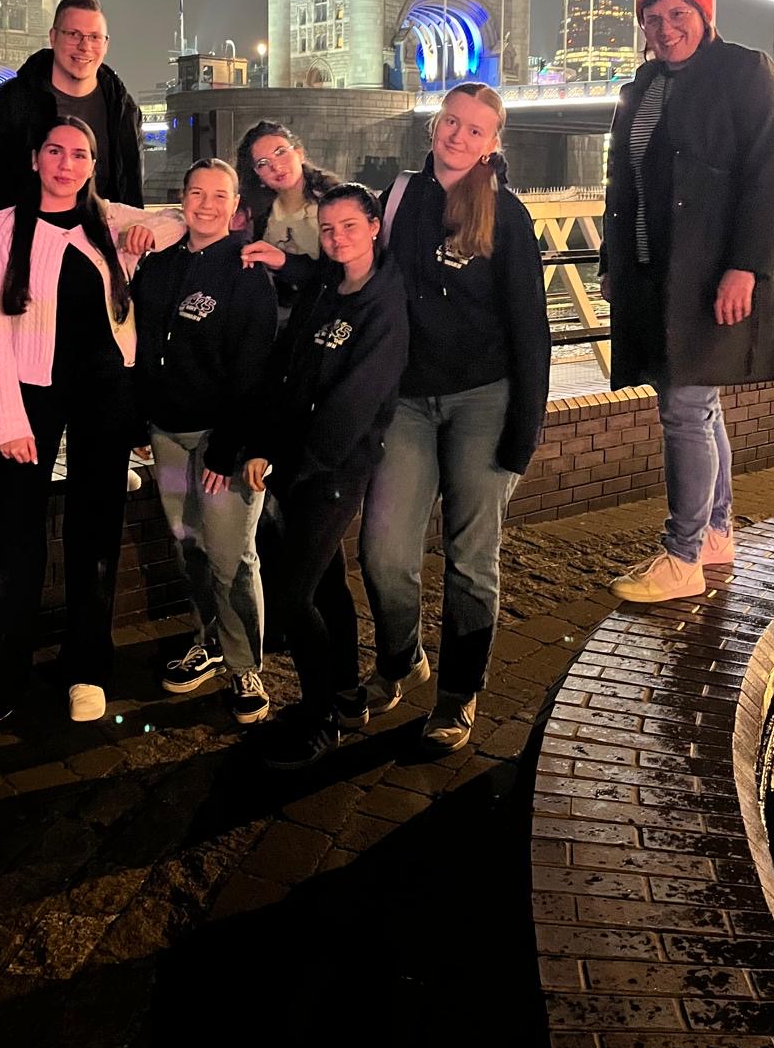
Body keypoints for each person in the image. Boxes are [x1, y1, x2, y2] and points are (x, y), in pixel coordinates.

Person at [0, 117, 180, 749]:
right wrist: (7, 419)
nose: (66, 163)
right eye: (55, 151)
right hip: (30, 393)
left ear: (92, 165)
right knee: (13, 539)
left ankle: (87, 668)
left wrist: (142, 233)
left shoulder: (106, 220)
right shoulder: (3, 228)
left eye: (79, 154)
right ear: (35, 159)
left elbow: (179, 220)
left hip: (107, 389)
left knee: (95, 531)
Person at [601, 0, 774, 602]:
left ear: (704, 15)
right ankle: (715, 533)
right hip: (652, 271)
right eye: (652, 18)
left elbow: (770, 175)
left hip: (707, 271)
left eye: (678, 14)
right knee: (698, 404)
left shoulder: (746, 72)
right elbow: (620, 182)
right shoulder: (642, 85)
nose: (665, 29)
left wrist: (747, 267)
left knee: (684, 407)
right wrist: (611, 262)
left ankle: (682, 556)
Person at [359, 82, 550, 754]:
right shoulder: (398, 198)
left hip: (483, 400)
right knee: (384, 552)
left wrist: (524, 431)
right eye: (451, 122)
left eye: (475, 129)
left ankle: (457, 694)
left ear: (493, 143)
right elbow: (352, 268)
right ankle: (401, 657)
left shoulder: (506, 213)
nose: (459, 136)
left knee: (471, 559)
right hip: (408, 400)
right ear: (433, 125)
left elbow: (531, 327)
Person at [244, 184, 409, 770]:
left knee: (291, 595)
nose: (338, 238)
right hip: (295, 462)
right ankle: (345, 695)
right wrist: (266, 444)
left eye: (350, 226)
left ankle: (319, 721)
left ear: (374, 227)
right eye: (329, 228)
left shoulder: (384, 303)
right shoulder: (323, 286)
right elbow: (287, 368)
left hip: (334, 468)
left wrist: (301, 464)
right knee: (327, 585)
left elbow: (355, 402)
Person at [132, 159, 278, 726]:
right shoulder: (157, 266)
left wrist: (229, 448)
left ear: (236, 206)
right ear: (182, 198)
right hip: (167, 434)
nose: (207, 205)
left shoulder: (246, 272)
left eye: (220, 195)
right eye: (197, 193)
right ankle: (209, 640)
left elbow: (255, 370)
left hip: (224, 442)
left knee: (231, 556)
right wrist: (138, 420)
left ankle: (245, 666)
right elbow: (140, 347)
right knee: (189, 546)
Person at [0, 0, 143, 212]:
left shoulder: (124, 110)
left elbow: (130, 190)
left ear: (106, 44)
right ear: (53, 37)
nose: (85, 46)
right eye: (73, 34)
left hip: (102, 232)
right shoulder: (4, 105)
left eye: (94, 37)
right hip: (22, 230)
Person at [235, 120, 339, 310]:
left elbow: (340, 274)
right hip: (268, 312)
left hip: (321, 313)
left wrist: (285, 262)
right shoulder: (256, 213)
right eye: (263, 163)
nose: (275, 167)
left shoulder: (335, 204)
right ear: (257, 174)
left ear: (299, 153)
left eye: (280, 152)